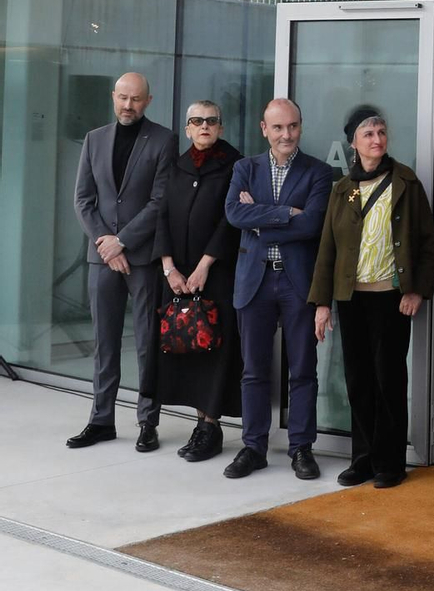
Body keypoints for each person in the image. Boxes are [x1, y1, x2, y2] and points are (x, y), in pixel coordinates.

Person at [309, 106, 434, 488]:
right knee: (357, 379)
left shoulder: (405, 181)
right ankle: (363, 458)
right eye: (368, 134)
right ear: (353, 143)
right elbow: (327, 249)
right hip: (351, 299)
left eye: (381, 132)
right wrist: (321, 303)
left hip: (391, 298)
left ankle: (390, 462)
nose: (377, 140)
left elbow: (428, 244)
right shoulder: (342, 189)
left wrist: (416, 290)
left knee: (388, 380)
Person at [223, 97, 334, 480]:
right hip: (254, 281)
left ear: (300, 127)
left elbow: (314, 224)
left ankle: (301, 447)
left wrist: (260, 218)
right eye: (278, 127)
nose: (286, 134)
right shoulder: (244, 168)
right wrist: (287, 213)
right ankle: (253, 447)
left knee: (303, 368)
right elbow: (234, 214)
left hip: (297, 281)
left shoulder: (319, 172)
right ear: (264, 129)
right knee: (254, 370)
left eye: (292, 126)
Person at [68, 71, 175, 451]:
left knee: (147, 341)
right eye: (122, 98)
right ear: (114, 97)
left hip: (142, 258)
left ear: (148, 100)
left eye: (136, 99)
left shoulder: (164, 140)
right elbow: (84, 199)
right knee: (104, 342)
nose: (128, 105)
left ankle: (148, 422)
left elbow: (160, 201)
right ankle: (101, 420)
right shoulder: (94, 139)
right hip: (103, 259)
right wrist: (105, 246)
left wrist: (123, 242)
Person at [154, 101, 243, 462]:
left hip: (215, 273)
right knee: (184, 348)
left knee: (213, 349)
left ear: (220, 127)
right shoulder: (177, 165)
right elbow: (162, 215)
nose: (204, 126)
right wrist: (168, 268)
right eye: (196, 121)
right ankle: (199, 424)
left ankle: (211, 426)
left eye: (211, 121)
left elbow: (228, 219)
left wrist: (206, 264)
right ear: (188, 128)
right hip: (177, 277)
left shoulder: (235, 164)